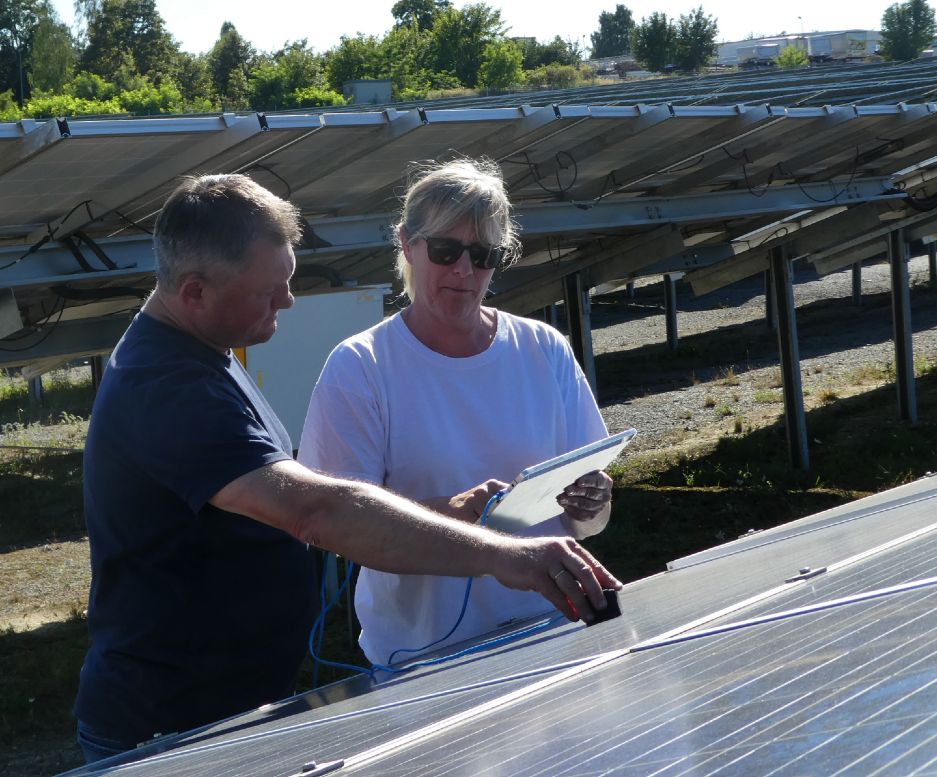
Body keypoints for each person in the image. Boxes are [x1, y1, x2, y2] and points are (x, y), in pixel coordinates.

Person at [74, 173, 620, 764]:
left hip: (224, 705)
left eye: (484, 255)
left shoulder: (200, 354)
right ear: (195, 291)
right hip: (171, 727)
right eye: (269, 290)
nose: (287, 300)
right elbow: (317, 508)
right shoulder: (168, 387)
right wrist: (506, 553)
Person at [298, 158, 616, 667]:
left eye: (484, 255)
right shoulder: (361, 368)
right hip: (425, 657)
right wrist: (454, 511)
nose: (464, 271)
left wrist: (591, 503)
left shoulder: (543, 349)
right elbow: (337, 528)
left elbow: (591, 520)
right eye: (446, 251)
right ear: (407, 244)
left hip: (551, 630)